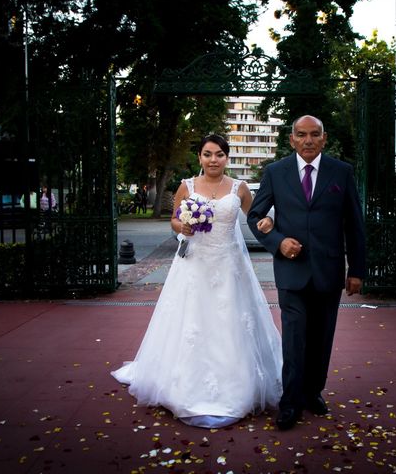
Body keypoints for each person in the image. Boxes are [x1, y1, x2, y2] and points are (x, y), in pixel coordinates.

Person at [111, 134, 282, 428]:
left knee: (229, 322)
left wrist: (269, 223)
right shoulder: (187, 186)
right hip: (194, 265)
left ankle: (237, 384)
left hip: (229, 267)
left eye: (219, 154)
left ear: (227, 157)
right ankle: (183, 383)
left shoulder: (239, 188)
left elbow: (254, 217)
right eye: (207, 154)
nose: (213, 159)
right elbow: (175, 220)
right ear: (199, 157)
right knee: (191, 321)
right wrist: (184, 226)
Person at [247, 115, 366, 431]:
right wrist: (277, 241)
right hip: (291, 272)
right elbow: (255, 216)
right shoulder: (275, 173)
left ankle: (314, 391)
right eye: (302, 134)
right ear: (292, 139)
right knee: (295, 338)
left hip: (328, 271)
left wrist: (356, 269)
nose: (309, 140)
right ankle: (290, 402)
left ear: (324, 139)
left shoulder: (342, 172)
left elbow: (354, 224)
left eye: (315, 135)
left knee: (322, 338)